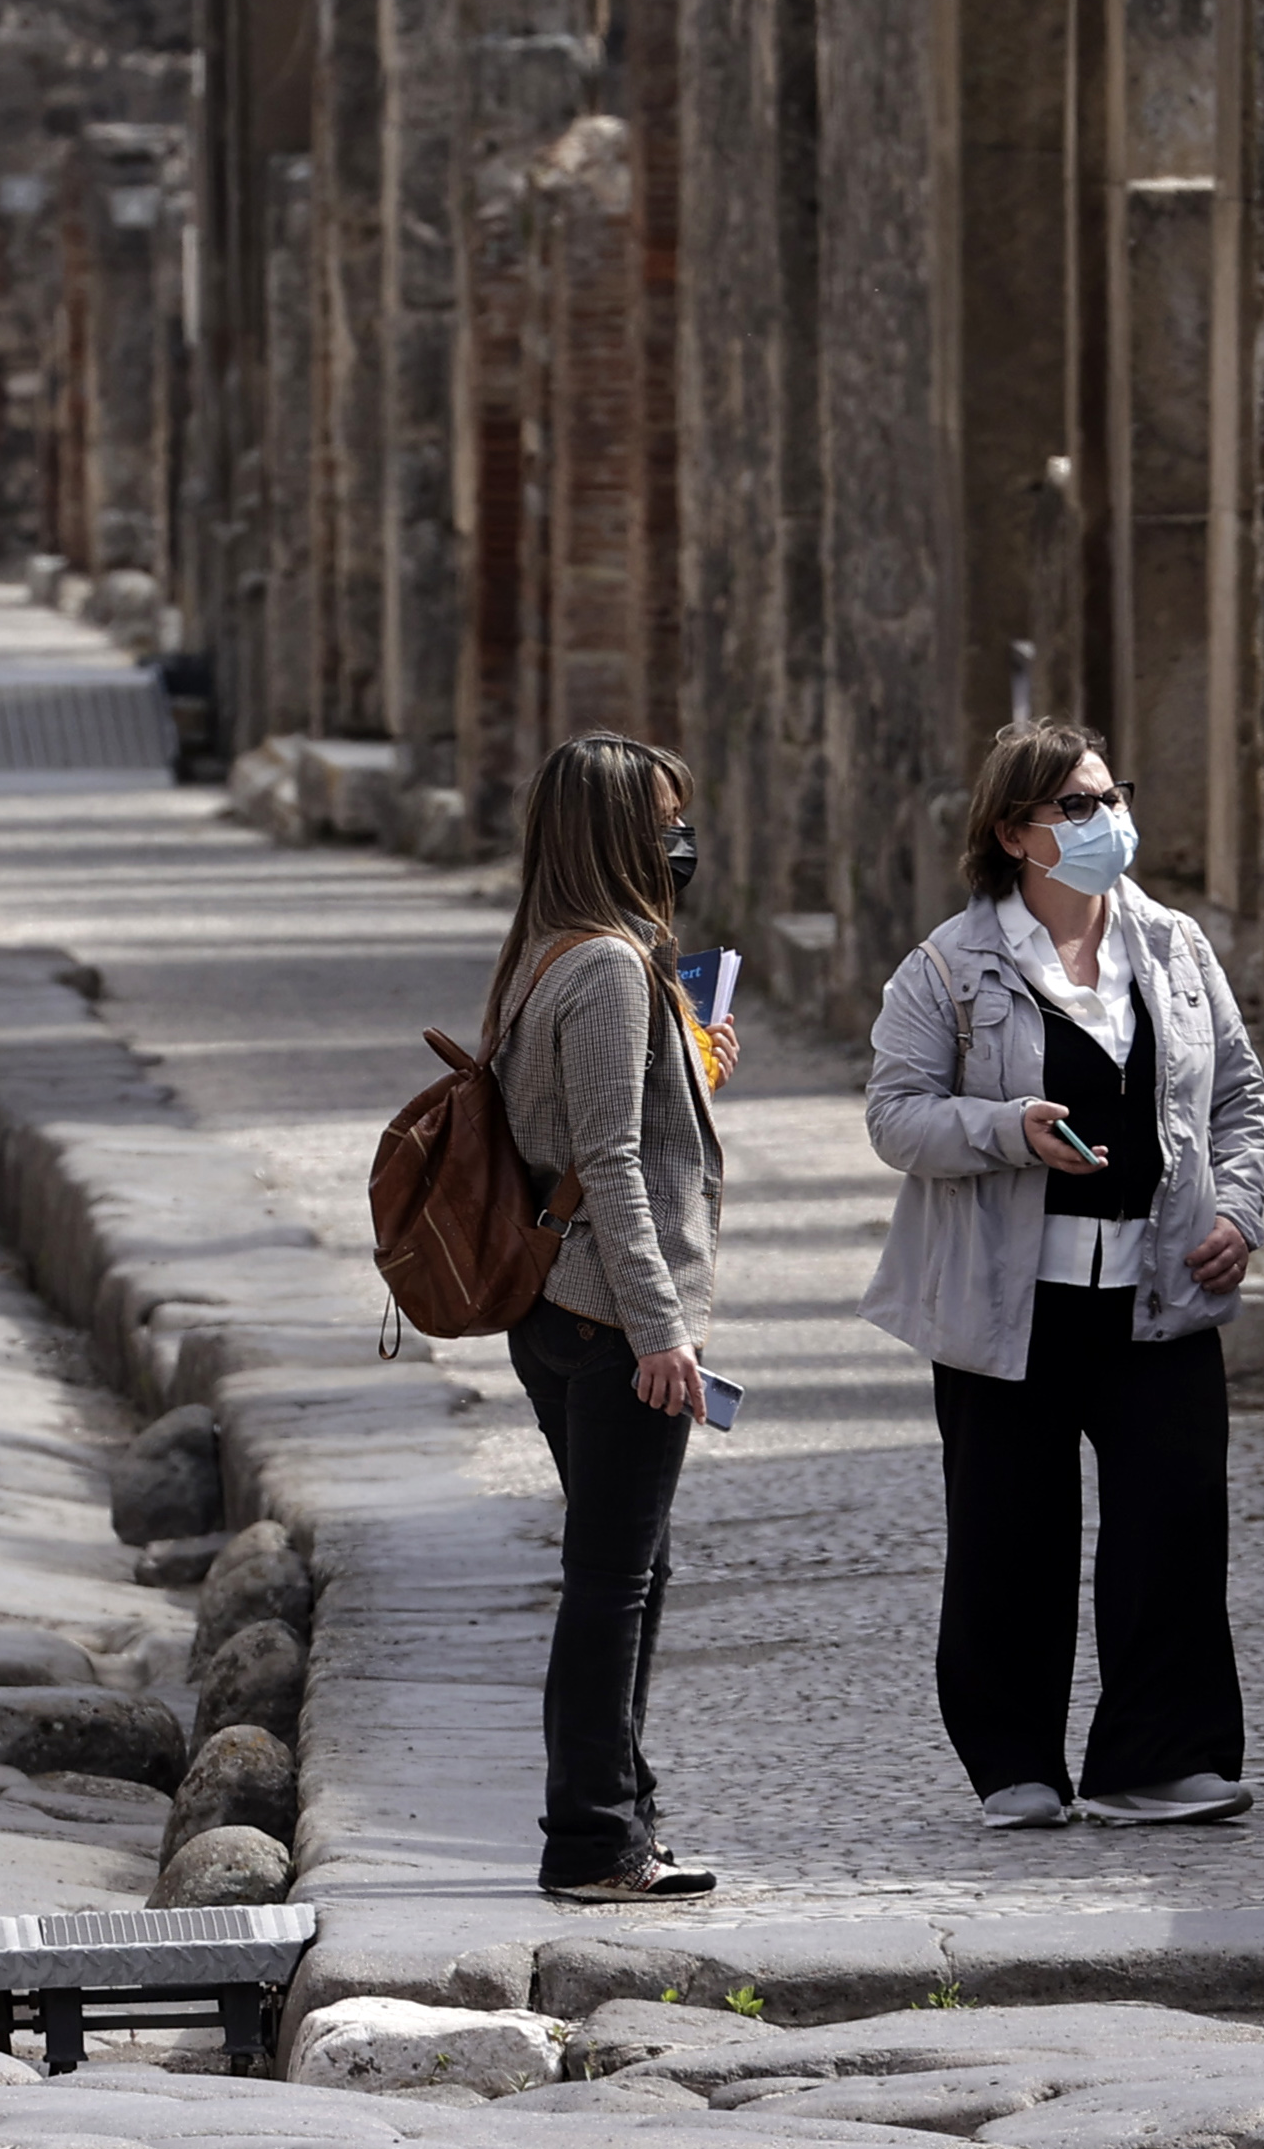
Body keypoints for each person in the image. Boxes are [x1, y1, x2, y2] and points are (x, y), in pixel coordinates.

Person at [863, 720, 1264, 1830]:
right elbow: (895, 1119)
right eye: (1078, 808)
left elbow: (1239, 1098)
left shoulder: (1176, 947)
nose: (1107, 822)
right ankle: (1015, 1763)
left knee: (1171, 1526)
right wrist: (1004, 1126)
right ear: (1016, 833)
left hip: (1159, 1290)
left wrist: (1238, 1210)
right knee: (1010, 1536)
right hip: (1010, 1305)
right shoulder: (948, 966)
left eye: (1111, 796)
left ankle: (1159, 1757)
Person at [489, 730, 731, 1904]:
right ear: (618, 835)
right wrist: (662, 1331)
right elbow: (613, 1160)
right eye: (663, 822)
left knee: (628, 1567)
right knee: (613, 1581)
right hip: (604, 1314)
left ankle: (622, 1813)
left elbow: (597, 1123)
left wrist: (696, 1065)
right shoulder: (608, 968)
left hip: (557, 1308)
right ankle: (592, 1836)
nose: (680, 844)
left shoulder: (543, 954)